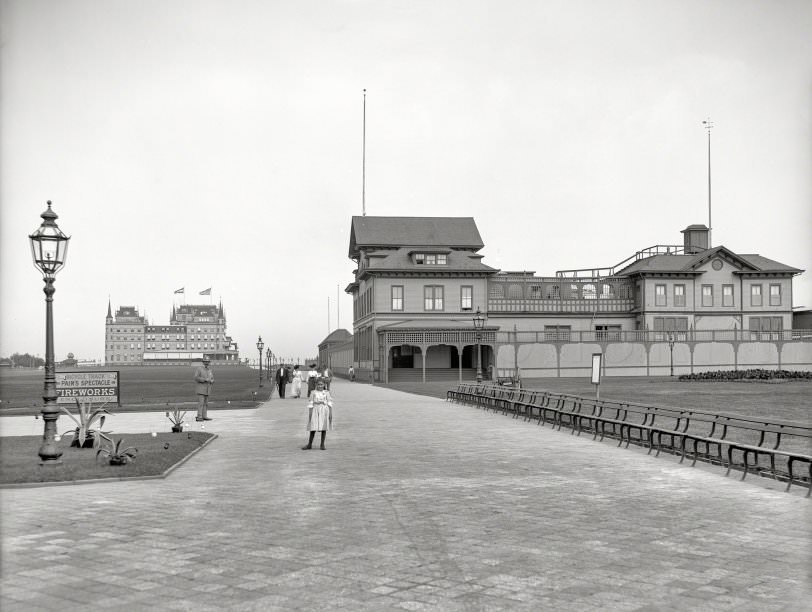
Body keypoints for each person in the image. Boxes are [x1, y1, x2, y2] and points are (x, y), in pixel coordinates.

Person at [302, 378, 333, 450]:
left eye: (321, 384)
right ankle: (309, 444)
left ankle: (322, 444)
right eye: (318, 384)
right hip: (315, 410)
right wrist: (310, 414)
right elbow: (311, 404)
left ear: (324, 385)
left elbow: (330, 404)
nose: (320, 386)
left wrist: (330, 414)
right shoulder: (313, 392)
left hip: (324, 411)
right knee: (313, 427)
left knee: (323, 427)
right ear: (316, 384)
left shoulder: (327, 393)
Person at [194, 357, 214, 421]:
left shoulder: (210, 370)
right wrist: (205, 380)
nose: (206, 363)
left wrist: (212, 381)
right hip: (201, 389)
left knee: (206, 404)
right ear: (203, 362)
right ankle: (199, 416)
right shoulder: (199, 369)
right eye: (205, 362)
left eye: (208, 362)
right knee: (201, 403)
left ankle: (204, 416)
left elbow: (212, 378)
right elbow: (196, 378)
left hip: (207, 389)